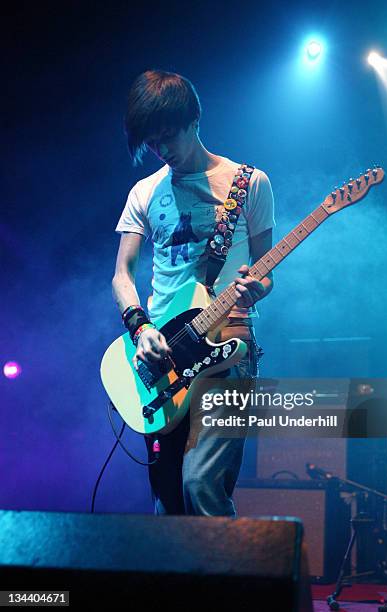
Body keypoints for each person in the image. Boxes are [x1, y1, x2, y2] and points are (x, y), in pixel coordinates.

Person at [112, 69, 275, 516]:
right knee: (168, 501)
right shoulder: (144, 191)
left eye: (168, 137)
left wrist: (255, 288)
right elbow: (121, 275)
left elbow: (267, 273)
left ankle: (233, 586)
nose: (162, 150)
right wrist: (139, 326)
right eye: (152, 143)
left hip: (229, 346)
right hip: (163, 352)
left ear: (194, 121)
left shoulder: (249, 182)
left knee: (202, 485)